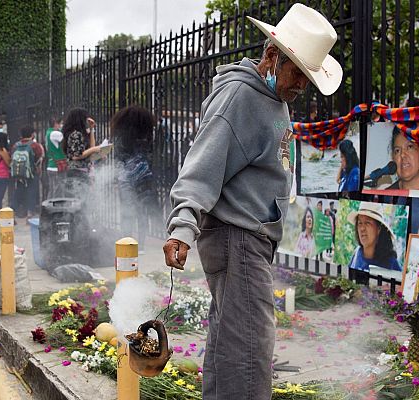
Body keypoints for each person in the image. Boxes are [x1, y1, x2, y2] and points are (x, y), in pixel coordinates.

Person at [162, 4, 342, 398]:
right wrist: (182, 227)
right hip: (237, 237)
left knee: (233, 347)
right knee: (249, 353)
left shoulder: (271, 96)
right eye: (297, 72)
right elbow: (201, 165)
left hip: (248, 240)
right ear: (272, 55)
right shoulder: (242, 97)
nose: (301, 85)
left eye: (308, 77)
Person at [113, 105, 158, 253]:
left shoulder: (121, 137)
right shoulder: (146, 136)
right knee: (141, 211)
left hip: (125, 178)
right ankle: (142, 245)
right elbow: (151, 155)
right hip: (144, 176)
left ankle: (127, 242)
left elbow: (118, 158)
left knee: (127, 211)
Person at [61, 108, 102, 199]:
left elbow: (91, 146)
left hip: (81, 172)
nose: (86, 121)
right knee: (79, 203)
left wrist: (91, 130)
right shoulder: (75, 134)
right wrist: (94, 149)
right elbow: (76, 156)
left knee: (82, 203)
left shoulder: (80, 133)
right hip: (77, 173)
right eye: (85, 118)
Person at [347, 202, 401, 272]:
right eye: (360, 223)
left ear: (378, 229)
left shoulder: (390, 263)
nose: (362, 228)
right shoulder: (357, 254)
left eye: (367, 223)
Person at [11, 126, 45, 222]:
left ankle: (11, 213)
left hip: (19, 174)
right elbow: (40, 158)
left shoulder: (15, 146)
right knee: (32, 193)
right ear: (32, 134)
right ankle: (30, 215)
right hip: (32, 173)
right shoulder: (35, 145)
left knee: (18, 193)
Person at [45, 116, 65, 199]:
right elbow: (66, 138)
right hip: (56, 166)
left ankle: (49, 209)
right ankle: (55, 210)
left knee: (52, 190)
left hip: (52, 165)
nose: (61, 126)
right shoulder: (54, 134)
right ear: (56, 124)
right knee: (58, 192)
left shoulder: (48, 132)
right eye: (60, 124)